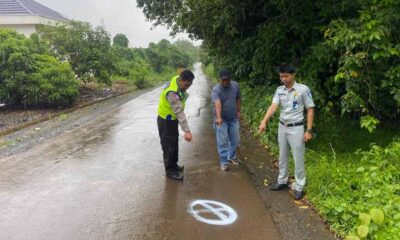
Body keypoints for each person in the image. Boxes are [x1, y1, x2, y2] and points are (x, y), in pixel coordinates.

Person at [258, 64, 315, 200]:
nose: (283, 78)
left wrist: (308, 130)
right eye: (281, 76)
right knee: (282, 156)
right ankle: (282, 181)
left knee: (298, 158)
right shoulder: (279, 90)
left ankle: (299, 186)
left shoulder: (303, 90)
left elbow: (310, 109)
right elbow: (273, 106)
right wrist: (264, 121)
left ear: (293, 75)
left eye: (286, 76)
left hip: (296, 128)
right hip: (282, 127)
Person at [157, 70, 195, 181]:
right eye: (186, 85)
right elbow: (179, 111)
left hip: (172, 119)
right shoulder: (172, 92)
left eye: (190, 85)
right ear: (181, 80)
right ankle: (170, 170)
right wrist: (187, 131)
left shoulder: (177, 79)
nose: (187, 87)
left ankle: (174, 165)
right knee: (168, 145)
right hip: (165, 120)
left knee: (173, 142)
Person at [211, 69, 241, 171]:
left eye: (227, 80)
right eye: (222, 80)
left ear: (230, 79)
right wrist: (219, 117)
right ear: (219, 80)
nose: (224, 82)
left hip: (233, 118)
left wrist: (238, 110)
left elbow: (238, 98)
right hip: (221, 120)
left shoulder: (235, 86)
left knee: (236, 140)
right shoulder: (216, 89)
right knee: (222, 141)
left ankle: (231, 156)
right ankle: (224, 161)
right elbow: (217, 103)